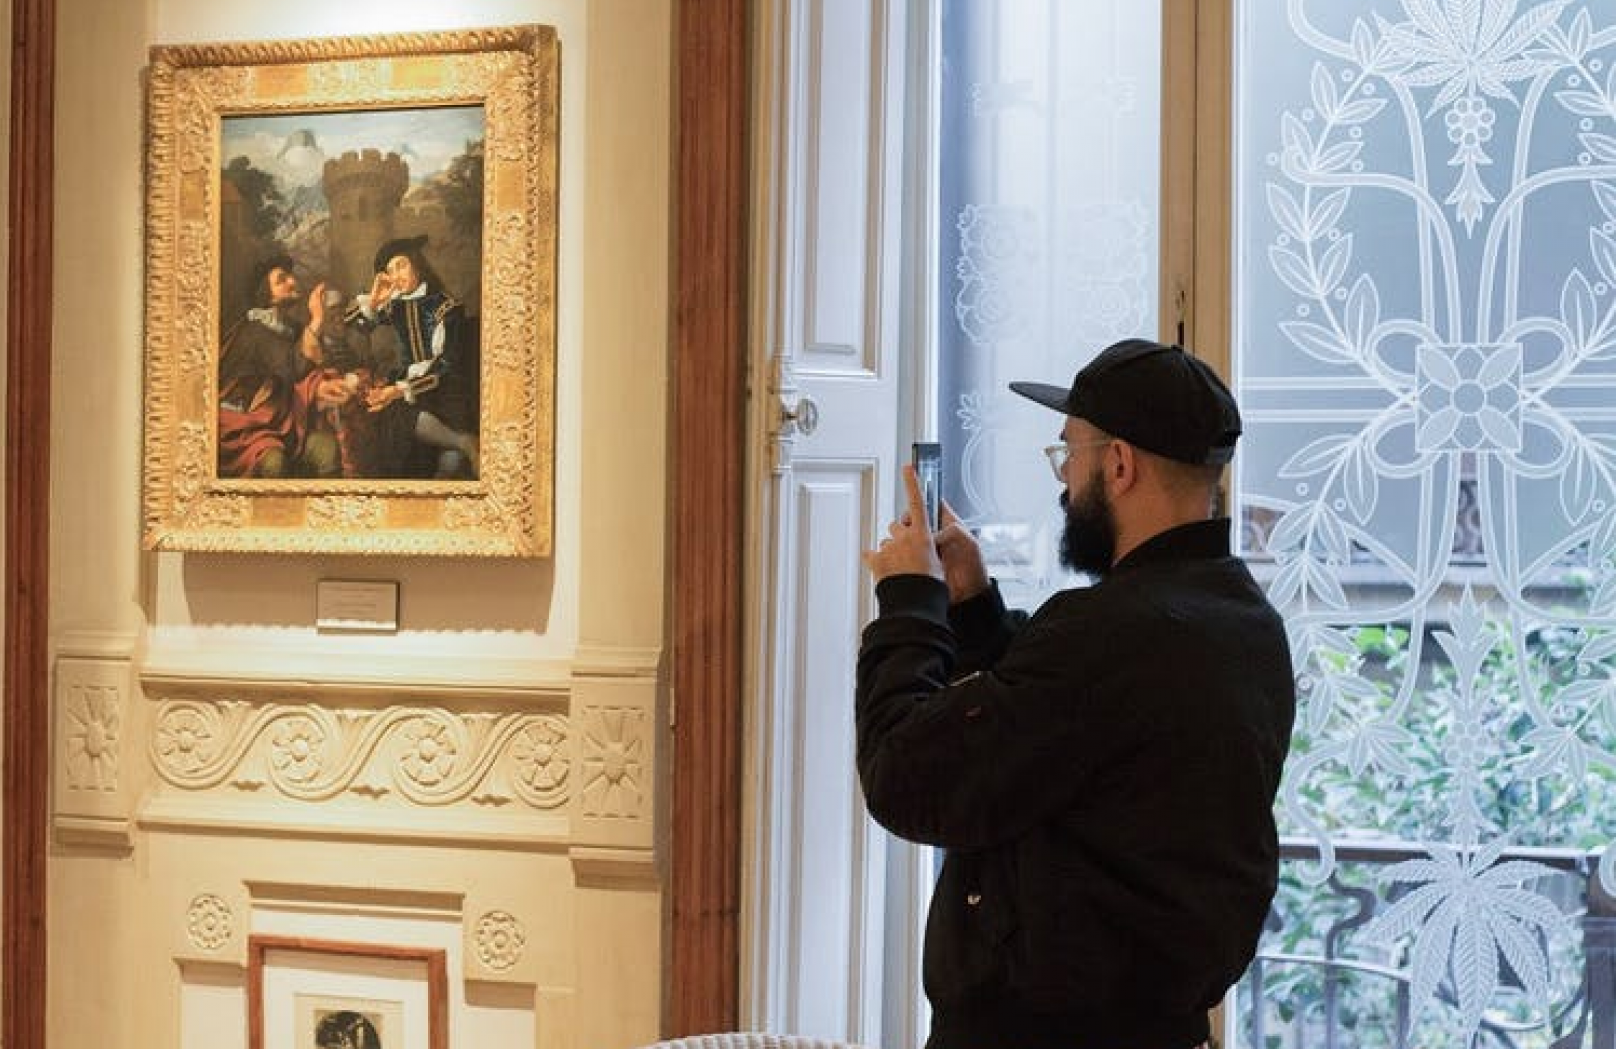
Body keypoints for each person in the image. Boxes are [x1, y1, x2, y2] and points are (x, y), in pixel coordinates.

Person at [857, 338, 1296, 1049]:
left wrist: (909, 600)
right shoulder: (1245, 623)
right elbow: (1063, 737)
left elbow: (903, 775)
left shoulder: (1109, 634)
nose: (1063, 479)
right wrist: (973, 609)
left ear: (1118, 464)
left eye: (1069, 453)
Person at [346, 234, 480, 478]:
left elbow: (447, 365)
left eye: (401, 266)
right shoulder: (394, 305)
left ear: (417, 264)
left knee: (447, 464)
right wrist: (374, 301)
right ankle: (459, 445)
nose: (397, 276)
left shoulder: (447, 307)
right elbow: (356, 326)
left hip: (445, 388)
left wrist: (399, 390)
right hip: (409, 389)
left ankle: (462, 443)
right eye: (390, 271)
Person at [217, 255, 351, 478]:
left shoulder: (292, 329)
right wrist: (317, 319)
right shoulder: (254, 331)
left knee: (327, 449)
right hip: (245, 428)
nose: (292, 281)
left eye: (291, 276)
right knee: (273, 462)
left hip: (283, 424)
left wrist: (322, 386)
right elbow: (292, 369)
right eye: (282, 280)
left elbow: (310, 371)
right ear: (266, 293)